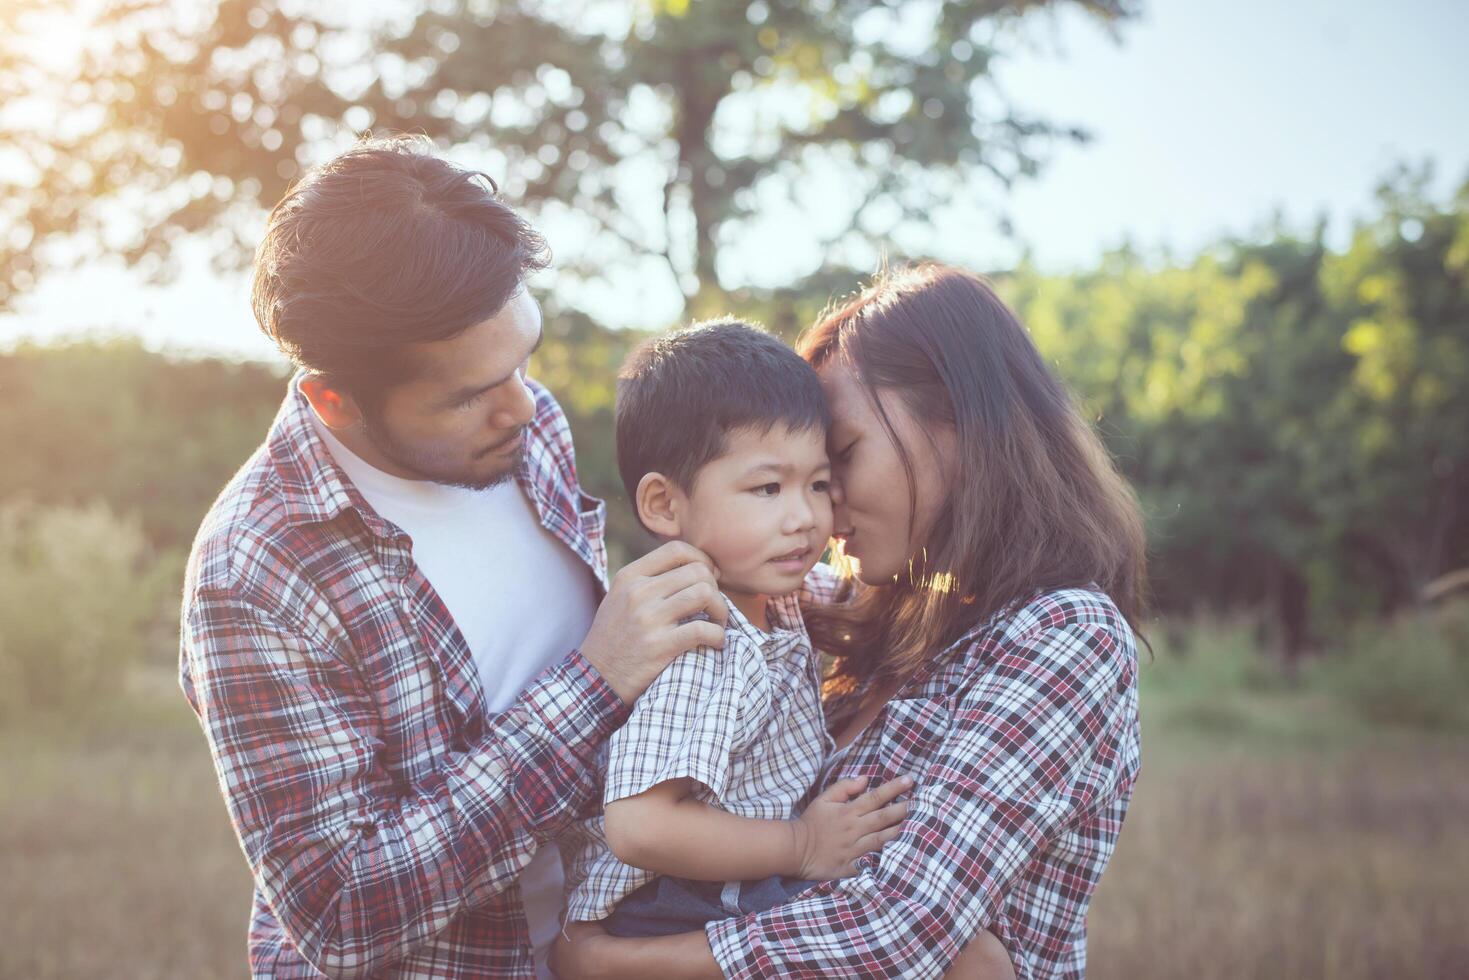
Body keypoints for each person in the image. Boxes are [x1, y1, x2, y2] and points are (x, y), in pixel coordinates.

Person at [178, 135, 727, 979]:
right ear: (335, 399)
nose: (521, 404)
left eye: (523, 359)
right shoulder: (255, 573)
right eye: (469, 394)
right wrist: (594, 684)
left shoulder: (520, 421)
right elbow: (339, 912)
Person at [551, 262, 1147, 978]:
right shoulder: (849, 612)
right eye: (783, 482)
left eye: (837, 464)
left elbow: (901, 925)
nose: (818, 515)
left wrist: (616, 966)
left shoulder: (1062, 635)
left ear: (955, 422)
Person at [561, 320, 913, 939]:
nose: (805, 517)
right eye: (768, 487)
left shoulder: (775, 596)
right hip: (671, 902)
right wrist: (801, 844)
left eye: (820, 484)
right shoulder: (703, 639)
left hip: (727, 883)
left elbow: (869, 610)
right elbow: (640, 826)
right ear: (666, 506)